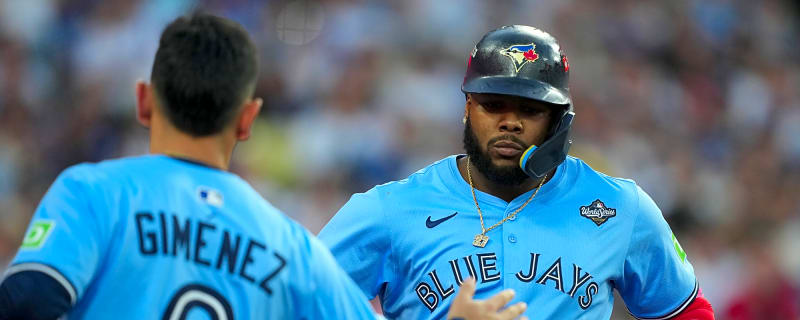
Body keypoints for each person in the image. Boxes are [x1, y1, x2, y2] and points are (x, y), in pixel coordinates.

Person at [0, 14, 527, 320]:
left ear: (144, 101)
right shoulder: (289, 244)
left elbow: (30, 295)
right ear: (248, 118)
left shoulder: (95, 192)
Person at [319, 25, 716, 319]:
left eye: (530, 110)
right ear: (467, 109)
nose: (510, 123)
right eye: (493, 105)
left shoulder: (617, 208)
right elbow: (296, 304)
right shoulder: (389, 209)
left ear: (559, 122)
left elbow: (687, 311)